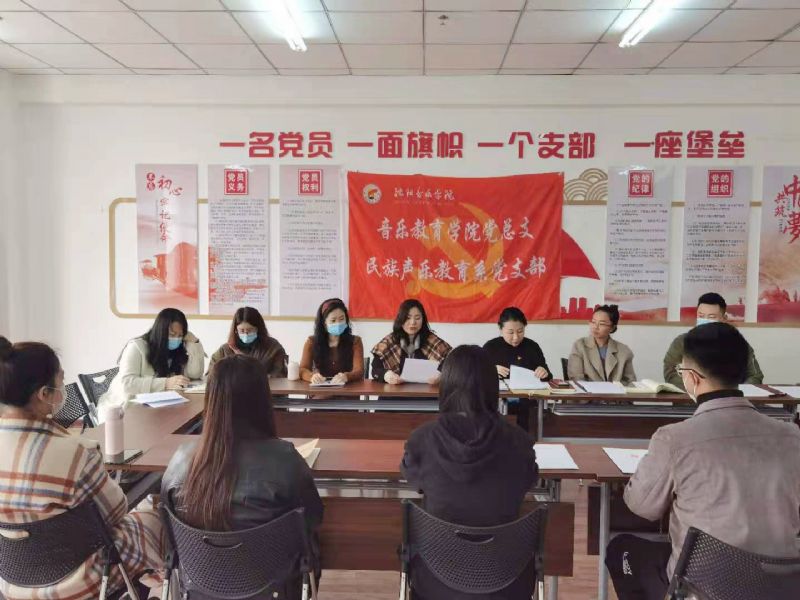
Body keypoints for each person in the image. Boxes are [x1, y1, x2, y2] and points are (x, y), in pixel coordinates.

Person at [606, 322, 800, 600]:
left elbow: (641, 505)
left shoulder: (674, 438)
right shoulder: (792, 436)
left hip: (705, 587)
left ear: (692, 378)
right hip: (781, 585)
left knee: (622, 549)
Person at [0, 337, 164, 600]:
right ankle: (158, 587)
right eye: (61, 380)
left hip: (11, 581)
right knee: (153, 516)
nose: (63, 389)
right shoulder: (75, 453)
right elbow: (116, 512)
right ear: (44, 394)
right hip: (77, 581)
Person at [162, 354, 323, 600]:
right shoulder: (285, 458)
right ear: (262, 400)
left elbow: (167, 516)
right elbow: (313, 515)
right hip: (273, 589)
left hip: (199, 588)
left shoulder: (181, 459)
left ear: (211, 400)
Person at [401, 345, 539, 599]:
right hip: (506, 579)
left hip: (436, 577)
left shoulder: (422, 440)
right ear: (492, 387)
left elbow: (413, 477)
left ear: (446, 384)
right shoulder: (519, 441)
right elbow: (528, 480)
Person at [102, 307, 205, 408]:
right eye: (172, 334)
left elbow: (195, 374)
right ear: (160, 331)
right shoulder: (136, 347)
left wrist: (195, 343)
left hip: (155, 405)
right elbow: (127, 384)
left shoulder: (177, 350)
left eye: (180, 336)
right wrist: (166, 383)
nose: (176, 339)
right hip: (123, 408)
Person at [663, 292, 763, 390]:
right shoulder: (681, 342)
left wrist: (734, 390)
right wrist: (700, 389)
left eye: (711, 317)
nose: (705, 321)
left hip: (730, 397)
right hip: (691, 398)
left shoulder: (738, 343)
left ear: (724, 319)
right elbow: (670, 373)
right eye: (701, 316)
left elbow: (755, 376)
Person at [371, 299, 452, 385]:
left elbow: (451, 362)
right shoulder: (389, 342)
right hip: (396, 390)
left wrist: (440, 374)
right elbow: (375, 370)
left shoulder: (433, 341)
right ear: (400, 319)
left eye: (417, 318)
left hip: (426, 391)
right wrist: (386, 375)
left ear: (423, 320)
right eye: (408, 318)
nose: (413, 322)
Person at [299, 298, 364, 384]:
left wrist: (346, 377)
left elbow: (359, 371)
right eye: (333, 320)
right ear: (324, 323)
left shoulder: (355, 341)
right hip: (321, 388)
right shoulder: (312, 342)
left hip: (347, 388)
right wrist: (312, 377)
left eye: (341, 319)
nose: (338, 323)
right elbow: (302, 369)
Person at [209, 306, 287, 378]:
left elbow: (280, 376)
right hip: (232, 389)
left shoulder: (273, 348)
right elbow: (211, 375)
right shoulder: (225, 350)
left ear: (258, 329)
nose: (246, 334)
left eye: (250, 330)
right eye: (242, 330)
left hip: (263, 388)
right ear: (236, 330)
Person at [567, 304, 636, 384]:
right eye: (593, 322)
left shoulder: (624, 351)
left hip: (615, 391)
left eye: (602, 324)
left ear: (612, 328)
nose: (595, 327)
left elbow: (630, 381)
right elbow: (576, 378)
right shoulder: (579, 346)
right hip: (588, 391)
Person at [483, 306, 551, 380]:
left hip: (528, 387)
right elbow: (477, 375)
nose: (516, 337)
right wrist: (490, 371)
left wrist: (544, 373)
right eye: (510, 332)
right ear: (501, 329)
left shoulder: (533, 346)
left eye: (520, 331)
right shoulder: (490, 347)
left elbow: (549, 376)